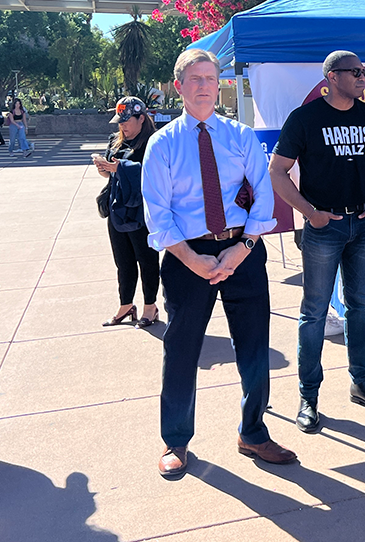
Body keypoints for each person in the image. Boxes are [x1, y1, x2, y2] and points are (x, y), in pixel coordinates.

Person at [142, 49, 296, 478]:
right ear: (179, 86)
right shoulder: (163, 144)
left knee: (253, 347)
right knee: (182, 350)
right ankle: (176, 441)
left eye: (211, 78)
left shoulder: (240, 137)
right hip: (186, 257)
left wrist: (242, 248)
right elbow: (157, 211)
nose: (205, 86)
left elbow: (263, 195)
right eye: (195, 79)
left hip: (241, 252)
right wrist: (192, 258)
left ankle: (254, 431)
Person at [269, 50, 365, 433]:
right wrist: (311, 212)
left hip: (364, 224)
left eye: (364, 72)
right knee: (314, 313)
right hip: (324, 227)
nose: (363, 78)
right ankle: (309, 397)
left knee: (359, 307)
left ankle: (361, 381)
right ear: (331, 76)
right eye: (355, 72)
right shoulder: (305, 119)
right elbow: (278, 171)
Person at [94, 97, 161, 329]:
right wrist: (105, 169)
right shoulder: (115, 141)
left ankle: (150, 307)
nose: (122, 126)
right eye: (119, 122)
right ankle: (126, 304)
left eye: (127, 121)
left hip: (141, 211)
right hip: (118, 208)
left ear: (141, 118)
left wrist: (120, 168)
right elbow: (111, 176)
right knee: (123, 260)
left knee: (147, 259)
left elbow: (156, 173)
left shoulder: (153, 142)